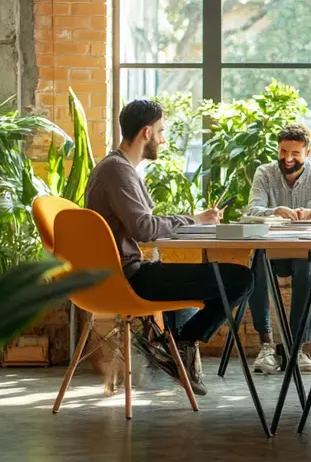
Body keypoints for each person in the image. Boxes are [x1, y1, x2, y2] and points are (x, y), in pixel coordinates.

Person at [84, 99, 254, 397]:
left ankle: (176, 345)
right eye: (161, 131)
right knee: (241, 279)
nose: (164, 139)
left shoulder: (117, 168)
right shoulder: (118, 171)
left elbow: (144, 224)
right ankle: (181, 343)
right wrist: (193, 219)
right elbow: (145, 229)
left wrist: (193, 220)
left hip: (120, 274)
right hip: (128, 279)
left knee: (221, 278)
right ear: (146, 133)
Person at [244, 124, 311, 375]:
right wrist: (275, 211)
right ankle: (266, 347)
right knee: (257, 263)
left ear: (308, 151)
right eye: (283, 151)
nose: (288, 158)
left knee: (308, 266)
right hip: (272, 249)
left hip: (305, 249)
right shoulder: (265, 172)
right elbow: (252, 210)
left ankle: (298, 348)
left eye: (295, 153)